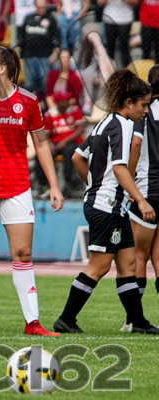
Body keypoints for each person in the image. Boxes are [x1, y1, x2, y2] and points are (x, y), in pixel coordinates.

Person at [0, 46, 64, 336]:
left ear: (2, 68)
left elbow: (41, 144)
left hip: (18, 187)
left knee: (23, 252)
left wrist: (54, 185)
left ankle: (33, 323)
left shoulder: (29, 101)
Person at [54, 69, 159, 335]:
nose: (145, 111)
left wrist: (93, 184)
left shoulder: (105, 122)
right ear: (129, 103)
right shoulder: (123, 126)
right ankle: (66, 319)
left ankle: (138, 322)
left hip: (112, 206)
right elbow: (120, 168)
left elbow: (78, 157)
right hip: (107, 207)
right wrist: (140, 200)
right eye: (143, 105)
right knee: (99, 266)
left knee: (128, 265)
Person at [123, 64, 159, 331]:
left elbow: (135, 144)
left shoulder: (144, 112)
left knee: (139, 256)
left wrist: (128, 181)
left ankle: (132, 319)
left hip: (148, 189)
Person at [17, 0, 60, 98]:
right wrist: (18, 52)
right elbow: (21, 38)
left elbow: (58, 39)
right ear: (35, 6)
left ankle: (45, 104)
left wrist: (55, 54)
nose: (41, 9)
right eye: (39, 7)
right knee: (29, 86)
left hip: (45, 57)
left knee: (45, 85)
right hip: (29, 56)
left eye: (43, 7)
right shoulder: (28, 18)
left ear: (47, 6)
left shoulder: (51, 19)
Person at [97, 0, 137, 69]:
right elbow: (100, 2)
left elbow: (135, 2)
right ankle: (109, 70)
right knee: (110, 47)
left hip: (125, 20)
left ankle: (126, 72)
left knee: (124, 47)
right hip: (109, 18)